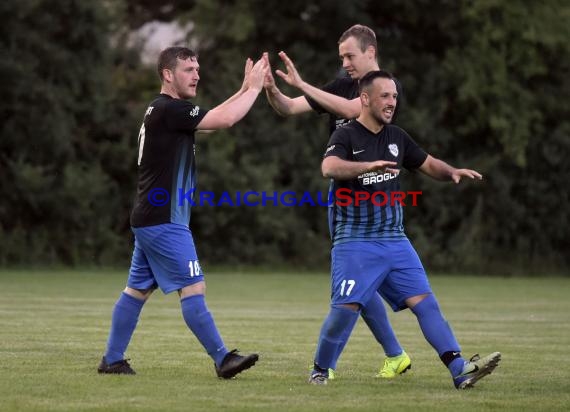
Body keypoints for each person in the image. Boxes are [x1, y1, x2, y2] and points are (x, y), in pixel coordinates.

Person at [308, 70, 501, 388]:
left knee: (426, 303)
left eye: (394, 96)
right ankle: (320, 369)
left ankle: (459, 369)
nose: (391, 102)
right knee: (345, 310)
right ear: (366, 99)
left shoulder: (397, 137)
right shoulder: (345, 135)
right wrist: (365, 166)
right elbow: (328, 167)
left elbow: (427, 163)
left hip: (395, 241)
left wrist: (451, 171)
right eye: (385, 95)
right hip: (355, 240)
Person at [97, 46, 268, 379]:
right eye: (189, 69)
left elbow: (210, 119)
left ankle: (112, 360)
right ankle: (223, 359)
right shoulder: (170, 110)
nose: (197, 74)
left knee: (136, 291)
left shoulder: (165, 111)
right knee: (193, 287)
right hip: (164, 220)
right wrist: (256, 90)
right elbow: (227, 119)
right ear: (167, 74)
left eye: (197, 68)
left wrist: (245, 88)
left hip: (150, 218)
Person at [264, 25, 410, 379]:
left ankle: (335, 365)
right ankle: (395, 354)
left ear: (370, 52)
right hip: (342, 197)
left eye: (350, 55)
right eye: (341, 56)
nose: (343, 62)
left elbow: (350, 108)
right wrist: (270, 89)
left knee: (355, 282)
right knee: (356, 282)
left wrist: (303, 84)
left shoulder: (383, 91)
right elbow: (288, 107)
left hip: (375, 199)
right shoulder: (339, 86)